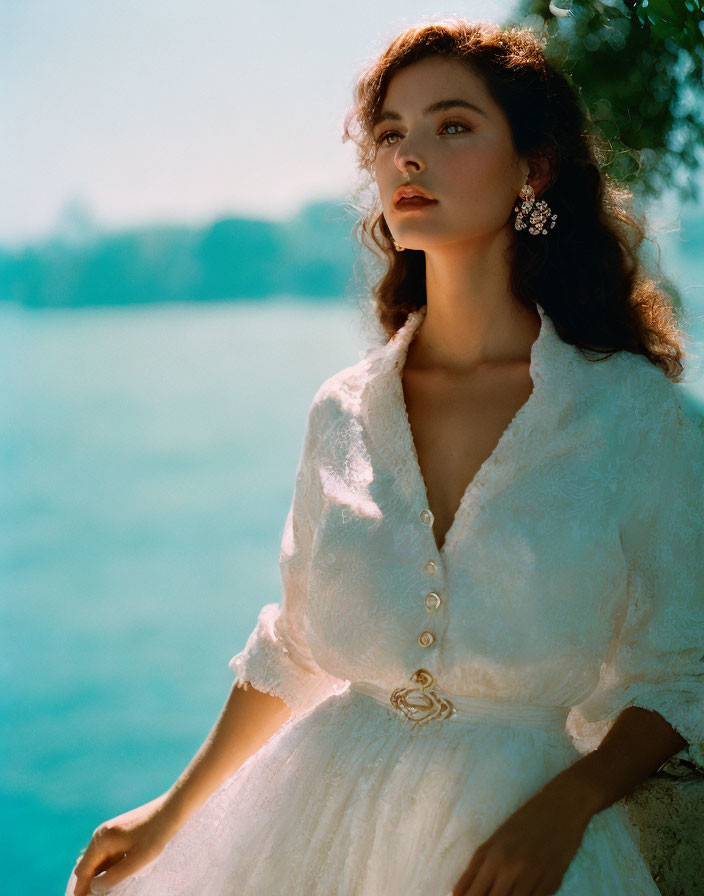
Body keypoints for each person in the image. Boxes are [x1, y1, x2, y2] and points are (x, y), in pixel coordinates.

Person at [66, 17, 704, 896]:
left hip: (519, 840)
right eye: (391, 134)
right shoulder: (342, 409)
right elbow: (294, 648)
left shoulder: (632, 414)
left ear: (536, 167)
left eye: (452, 127)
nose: (408, 157)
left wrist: (573, 802)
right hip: (312, 832)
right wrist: (170, 811)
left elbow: (681, 668)